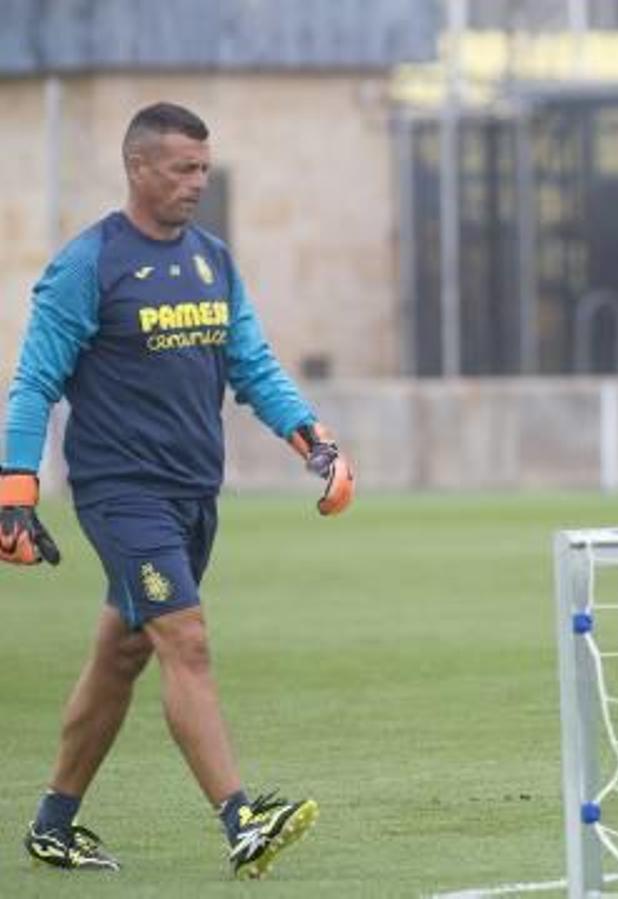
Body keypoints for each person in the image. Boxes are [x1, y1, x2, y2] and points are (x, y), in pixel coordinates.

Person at [0, 102, 354, 878]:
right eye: (183, 169)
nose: (198, 182)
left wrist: (314, 441)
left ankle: (54, 823)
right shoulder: (87, 264)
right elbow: (32, 385)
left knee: (122, 653)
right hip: (121, 492)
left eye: (203, 168)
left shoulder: (213, 260)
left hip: (195, 492)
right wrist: (14, 492)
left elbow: (252, 365)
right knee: (184, 640)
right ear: (138, 168)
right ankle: (241, 818)